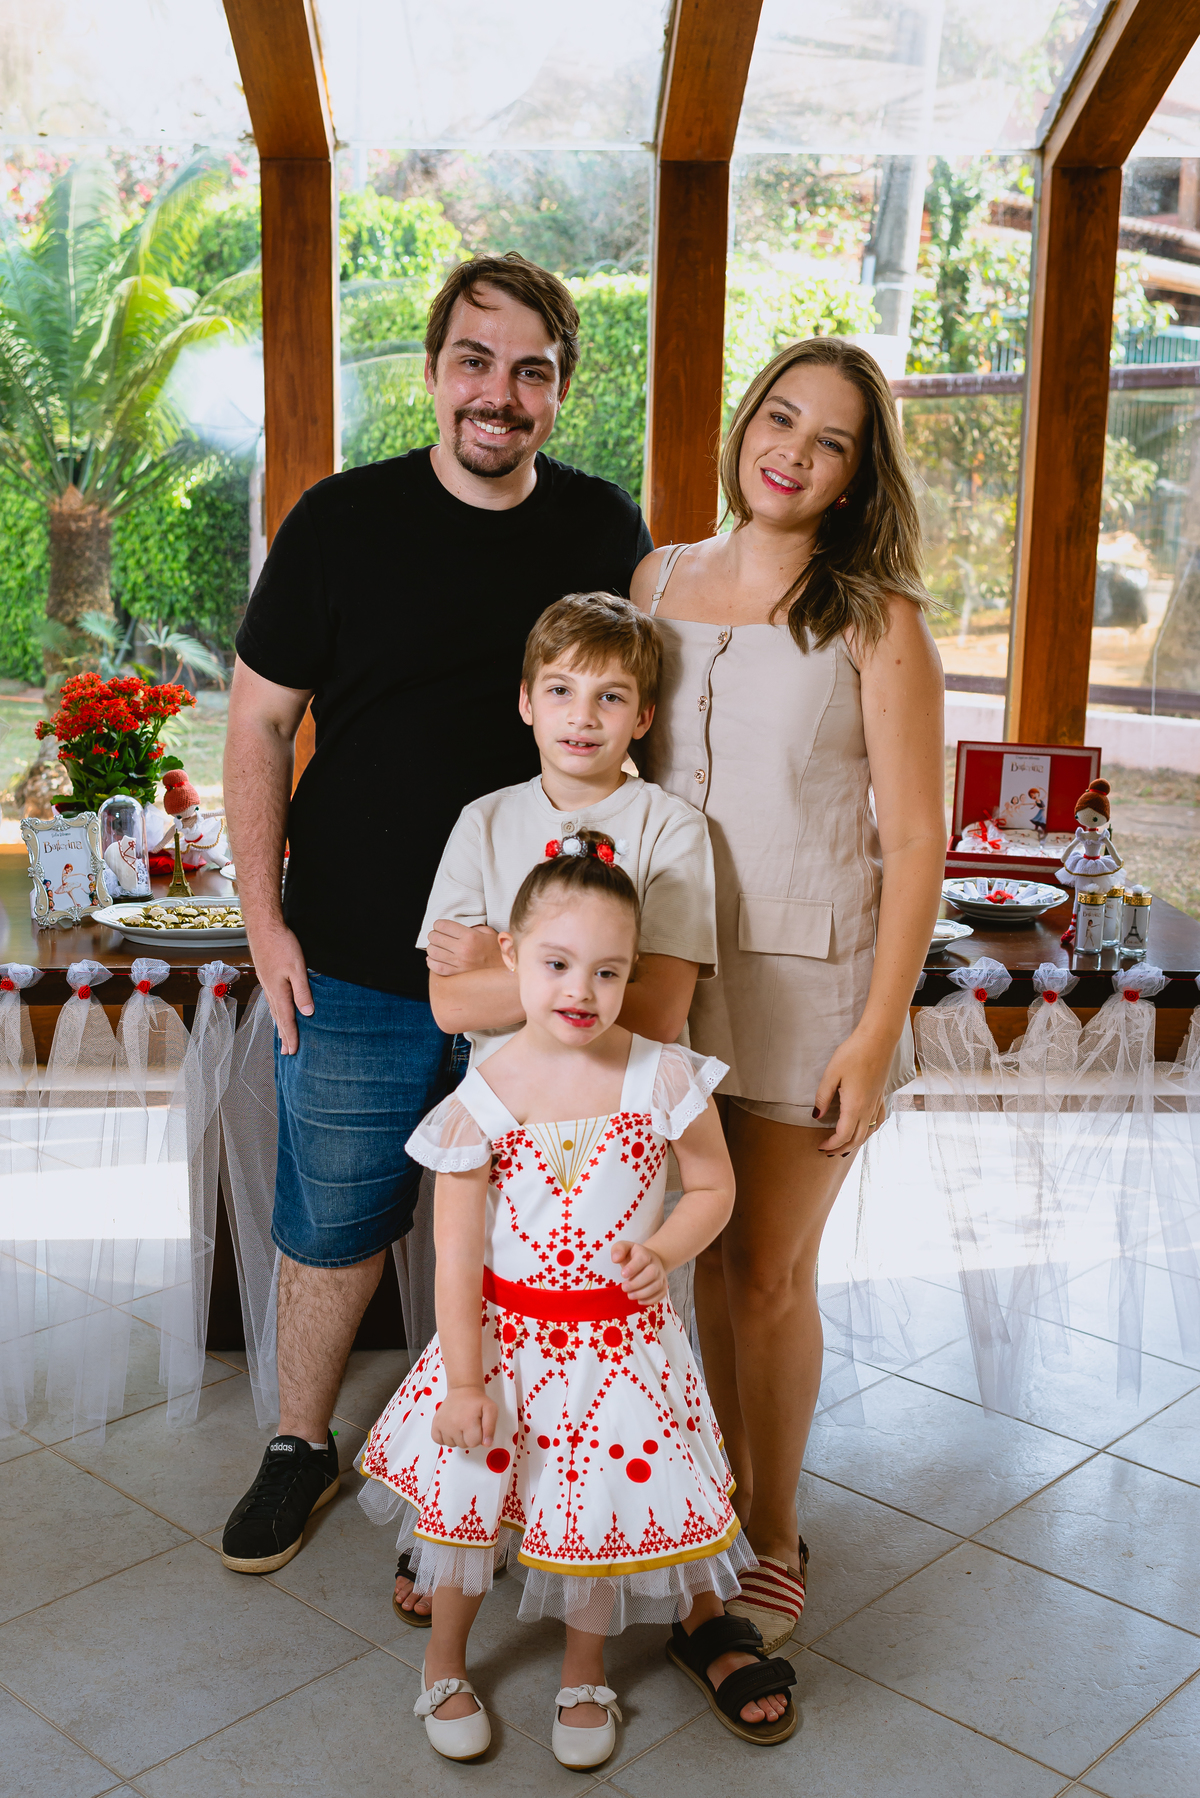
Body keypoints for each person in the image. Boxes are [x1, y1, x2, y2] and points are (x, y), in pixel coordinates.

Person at [220, 253, 653, 1576]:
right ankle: (302, 1439)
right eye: (477, 360)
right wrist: (264, 924)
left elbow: (645, 723)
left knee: (527, 1238)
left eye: (532, 371)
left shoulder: (602, 530)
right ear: (433, 369)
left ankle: (477, 1483)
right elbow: (258, 722)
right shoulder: (340, 519)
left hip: (546, 975)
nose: (499, 394)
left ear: (561, 390)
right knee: (336, 1219)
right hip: (350, 953)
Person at [631, 335, 946, 1651]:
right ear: (746, 422)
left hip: (813, 985)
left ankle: (776, 1530)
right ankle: (716, 1494)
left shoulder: (880, 617)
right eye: (779, 417)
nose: (792, 451)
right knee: (703, 1258)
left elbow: (919, 837)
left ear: (856, 477)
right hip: (661, 979)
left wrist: (876, 1034)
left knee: (768, 1271)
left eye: (828, 441)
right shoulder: (657, 576)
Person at [357, 837, 799, 1765]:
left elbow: (714, 1189)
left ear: (632, 971)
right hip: (506, 1346)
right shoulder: (481, 1099)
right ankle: (445, 1661)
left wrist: (666, 1246)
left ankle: (584, 1674)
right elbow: (456, 1256)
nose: (582, 992)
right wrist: (466, 1382)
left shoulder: (663, 1075)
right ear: (512, 957)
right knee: (475, 1510)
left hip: (621, 1352)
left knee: (590, 1514)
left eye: (608, 971)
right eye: (557, 964)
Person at [392, 588, 718, 1620]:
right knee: (487, 1312)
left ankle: (595, 1527)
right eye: (564, 689)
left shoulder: (671, 827)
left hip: (620, 1123)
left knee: (604, 1352)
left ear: (644, 716)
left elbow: (658, 1001)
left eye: (613, 695)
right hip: (504, 1114)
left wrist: (521, 970)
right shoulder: (485, 821)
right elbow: (449, 997)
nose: (585, 714)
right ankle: (465, 1520)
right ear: (528, 700)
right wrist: (562, 981)